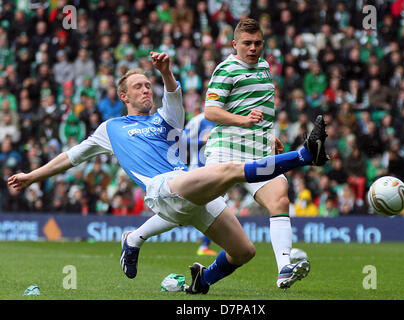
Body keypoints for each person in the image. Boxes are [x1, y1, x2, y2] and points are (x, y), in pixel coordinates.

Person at [8, 51, 328, 294]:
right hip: (164, 188)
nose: (146, 90)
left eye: (148, 85)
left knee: (243, 251)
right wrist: (32, 176)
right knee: (228, 171)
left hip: (187, 188)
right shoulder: (112, 128)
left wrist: (166, 73)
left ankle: (198, 281)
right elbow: (70, 157)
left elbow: (175, 103)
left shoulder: (163, 120)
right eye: (138, 87)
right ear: (124, 96)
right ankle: (302, 155)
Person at [203, 18, 325, 288]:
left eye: (258, 43)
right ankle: (136, 239)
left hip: (257, 151)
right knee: (192, 207)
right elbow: (210, 112)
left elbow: (257, 108)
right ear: (235, 44)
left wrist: (268, 136)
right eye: (247, 43)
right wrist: (243, 121)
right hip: (225, 150)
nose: (253, 48)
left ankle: (284, 269)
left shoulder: (265, 67)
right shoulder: (226, 69)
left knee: (280, 200)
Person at [184, 110, 217, 256]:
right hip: (198, 170)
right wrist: (202, 141)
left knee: (216, 206)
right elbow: (182, 139)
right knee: (189, 207)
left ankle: (205, 245)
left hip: (217, 170)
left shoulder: (226, 118)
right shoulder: (199, 120)